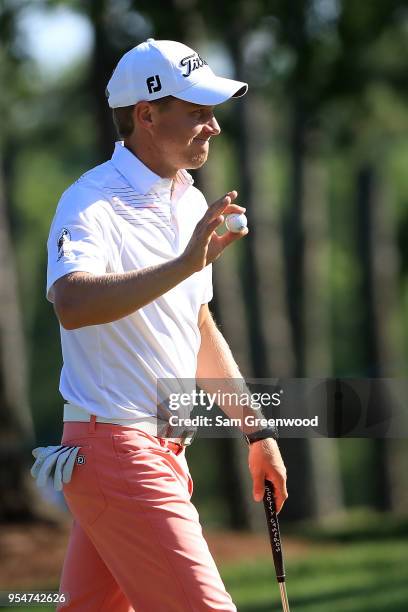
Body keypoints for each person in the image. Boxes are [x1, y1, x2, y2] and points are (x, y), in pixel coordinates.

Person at [46, 38, 288, 611]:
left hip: (157, 451)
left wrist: (257, 432)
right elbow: (71, 303)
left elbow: (197, 325)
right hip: (117, 448)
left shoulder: (187, 201)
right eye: (197, 112)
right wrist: (185, 263)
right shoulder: (90, 202)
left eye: (213, 113)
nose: (214, 127)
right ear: (146, 114)